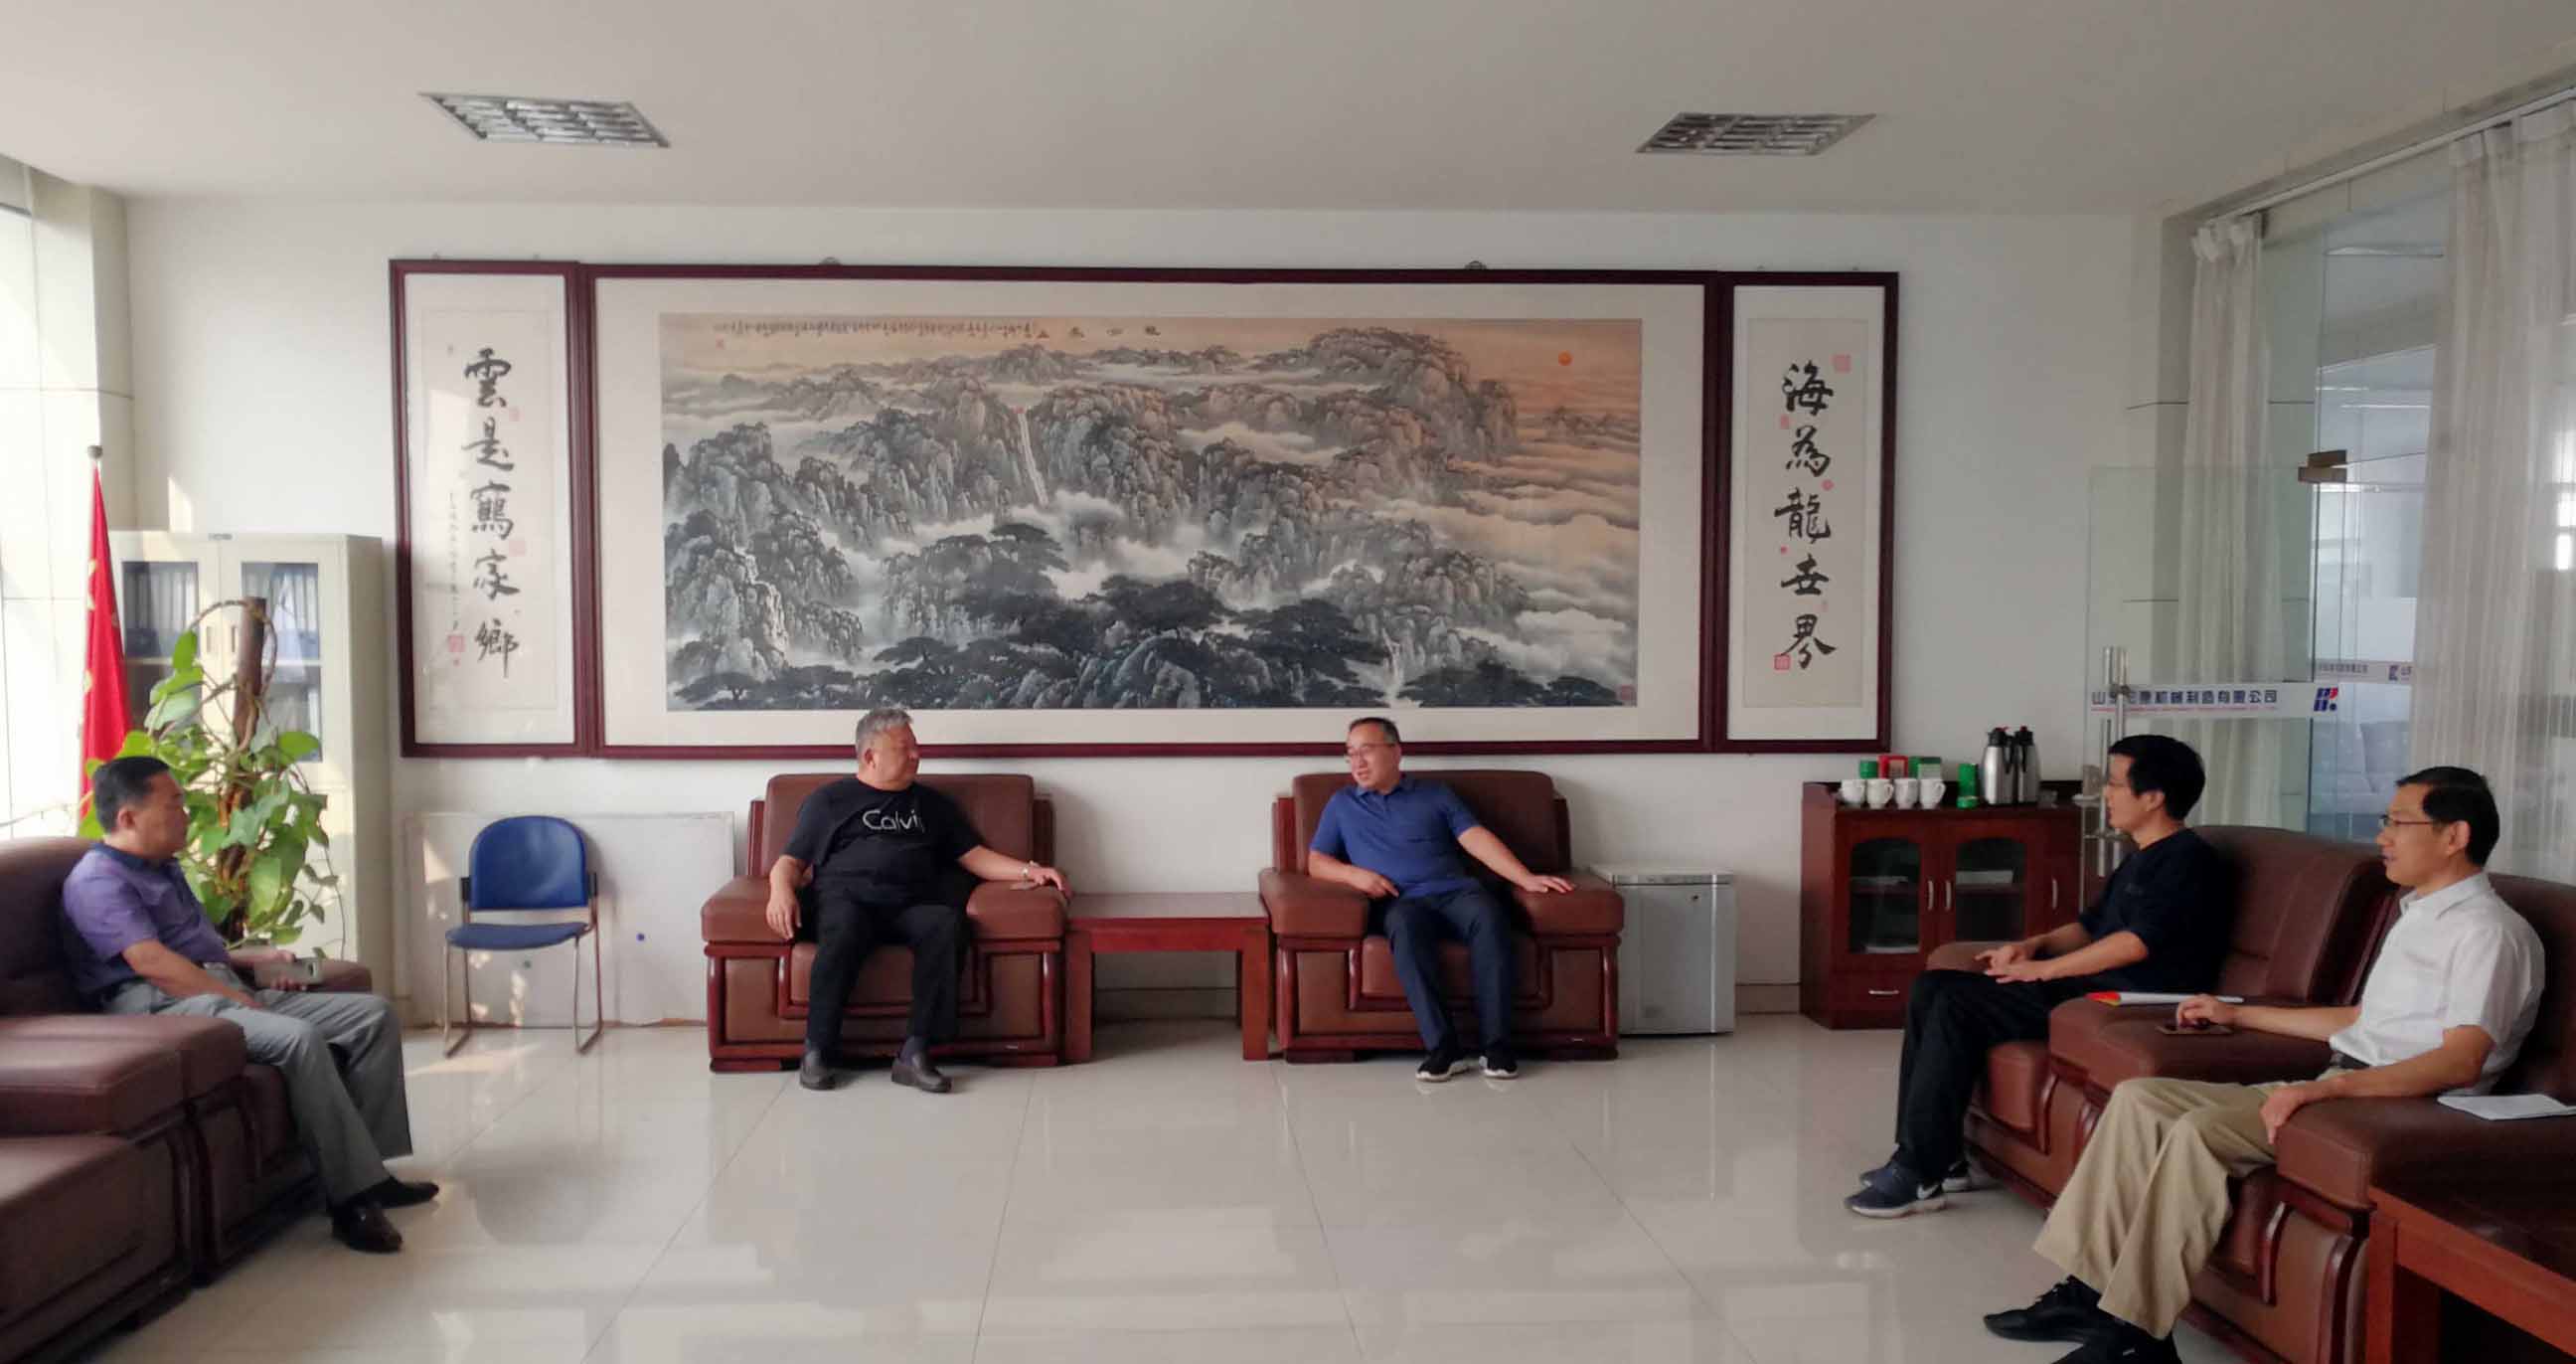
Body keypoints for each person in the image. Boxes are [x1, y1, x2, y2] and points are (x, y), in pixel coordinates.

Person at [1986, 767, 2543, 1364]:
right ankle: (2089, 1291)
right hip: (2349, 1080)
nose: (2383, 836)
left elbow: (2460, 1061)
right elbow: (2362, 1019)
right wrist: (2237, 1015)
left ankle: (2136, 1336)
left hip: (2400, 1107)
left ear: (2455, 835)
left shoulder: (2489, 933)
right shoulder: (2419, 914)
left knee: (2199, 1131)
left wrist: (2325, 1093)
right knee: (2139, 1098)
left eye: (2399, 822)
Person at [58, 756, 433, 1255]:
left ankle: (372, 1170)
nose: (187, 815)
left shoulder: (161, 867)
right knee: (297, 1039)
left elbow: (187, 949)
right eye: (174, 805)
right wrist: (235, 997)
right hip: (158, 1008)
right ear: (128, 817)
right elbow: (151, 963)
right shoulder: (97, 881)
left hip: (211, 987)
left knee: (373, 1016)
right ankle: (351, 1201)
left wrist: (249, 960)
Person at [1847, 734, 2232, 1218]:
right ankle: (1940, 1158)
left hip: (2133, 999)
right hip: (2097, 988)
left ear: (2153, 797)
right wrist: (2032, 946)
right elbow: (2090, 928)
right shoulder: (2142, 856)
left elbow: (2136, 943)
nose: (2105, 794)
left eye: (2114, 784)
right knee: (1934, 985)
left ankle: (1917, 1169)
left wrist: (2043, 971)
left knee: (1956, 1003)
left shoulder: (2189, 861)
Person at [765, 707, 1068, 1095]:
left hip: (912, 903)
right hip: (848, 901)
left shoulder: (931, 804)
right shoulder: (830, 801)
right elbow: (790, 862)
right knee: (843, 928)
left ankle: (916, 1051)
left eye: (916, 747)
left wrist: (1030, 871)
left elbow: (974, 856)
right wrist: (780, 890)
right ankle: (818, 1049)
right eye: (904, 748)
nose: (916, 755)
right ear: (870, 756)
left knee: (946, 924)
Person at [1304, 716, 1572, 1082]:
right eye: (1350, 753)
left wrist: (1525, 878)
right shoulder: (1342, 804)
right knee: (1405, 928)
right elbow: (1316, 861)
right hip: (1401, 900)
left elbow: (1476, 838)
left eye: (1366, 750)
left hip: (1456, 892)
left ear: (1396, 752)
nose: (1357, 762)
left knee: (1490, 918)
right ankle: (1443, 1048)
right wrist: (1355, 875)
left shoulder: (1435, 794)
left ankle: (1497, 1047)